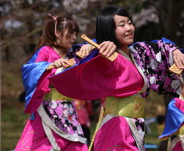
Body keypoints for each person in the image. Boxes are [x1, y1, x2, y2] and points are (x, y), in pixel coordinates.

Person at [49, 6, 184, 151]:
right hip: (117, 128)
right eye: (122, 25)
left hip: (135, 126)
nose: (129, 28)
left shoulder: (138, 51)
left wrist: (175, 51)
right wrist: (92, 48)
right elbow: (82, 60)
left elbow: (161, 46)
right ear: (109, 30)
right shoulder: (104, 55)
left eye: (129, 23)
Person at [14, 14, 115, 151]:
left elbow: (101, 42)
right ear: (57, 33)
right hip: (46, 110)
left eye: (75, 33)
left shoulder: (74, 52)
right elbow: (29, 70)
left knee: (77, 145)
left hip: (68, 111)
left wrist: (90, 47)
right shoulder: (45, 51)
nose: (74, 38)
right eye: (70, 33)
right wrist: (49, 66)